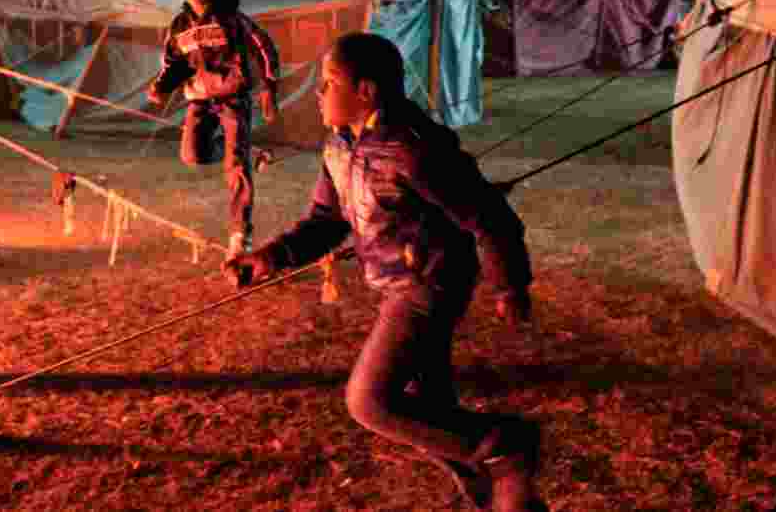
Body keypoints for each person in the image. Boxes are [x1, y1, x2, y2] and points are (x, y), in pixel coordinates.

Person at [225, 32, 546, 511]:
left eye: (329, 82)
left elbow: (488, 214)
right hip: (395, 283)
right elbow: (325, 221)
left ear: (366, 92)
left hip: (430, 283)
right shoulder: (338, 147)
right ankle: (502, 498)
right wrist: (269, 257)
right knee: (433, 417)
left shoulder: (414, 148)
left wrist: (509, 284)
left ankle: (505, 444)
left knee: (370, 401)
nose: (318, 93)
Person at [147, 0, 281, 264]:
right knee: (192, 155)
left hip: (233, 97)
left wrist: (269, 86)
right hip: (199, 98)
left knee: (236, 169)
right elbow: (174, 63)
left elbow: (264, 47)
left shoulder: (231, 17)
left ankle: (240, 235)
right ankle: (243, 151)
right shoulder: (179, 25)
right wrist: (161, 87)